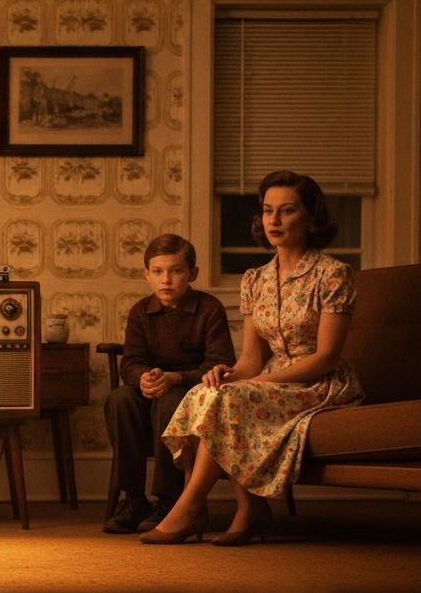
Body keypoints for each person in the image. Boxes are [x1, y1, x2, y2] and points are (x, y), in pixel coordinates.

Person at [141, 170, 365, 545]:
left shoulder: (332, 275)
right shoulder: (254, 279)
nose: (274, 221)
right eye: (267, 211)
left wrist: (253, 383)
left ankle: (191, 507)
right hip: (271, 380)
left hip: (318, 383)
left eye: (287, 210)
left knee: (232, 398)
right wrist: (225, 374)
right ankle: (250, 509)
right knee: (205, 393)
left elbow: (326, 357)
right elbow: (250, 358)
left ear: (311, 217)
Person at [103, 233, 235, 534]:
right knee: (119, 399)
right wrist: (144, 378)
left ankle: (168, 499)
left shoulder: (209, 308)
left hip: (192, 394)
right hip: (152, 390)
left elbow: (219, 362)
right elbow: (131, 362)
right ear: (147, 275)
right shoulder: (141, 312)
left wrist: (178, 378)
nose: (167, 280)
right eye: (159, 272)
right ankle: (133, 498)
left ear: (193, 274)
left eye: (176, 271)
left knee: (169, 402)